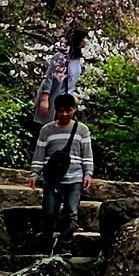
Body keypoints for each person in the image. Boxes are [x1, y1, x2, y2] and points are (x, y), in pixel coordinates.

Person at [30, 94, 94, 253]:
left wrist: (88, 174)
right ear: (56, 111)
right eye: (61, 111)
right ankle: (46, 245)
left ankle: (63, 245)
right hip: (53, 179)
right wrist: (34, 174)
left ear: (74, 109)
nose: (65, 114)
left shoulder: (82, 130)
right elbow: (40, 153)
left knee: (71, 213)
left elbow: (87, 154)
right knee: (49, 212)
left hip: (75, 178)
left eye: (68, 110)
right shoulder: (47, 130)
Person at [34, 23, 88, 128]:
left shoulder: (76, 59)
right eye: (83, 39)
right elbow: (49, 77)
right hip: (55, 99)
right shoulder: (60, 57)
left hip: (66, 100)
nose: (84, 42)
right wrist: (44, 99)